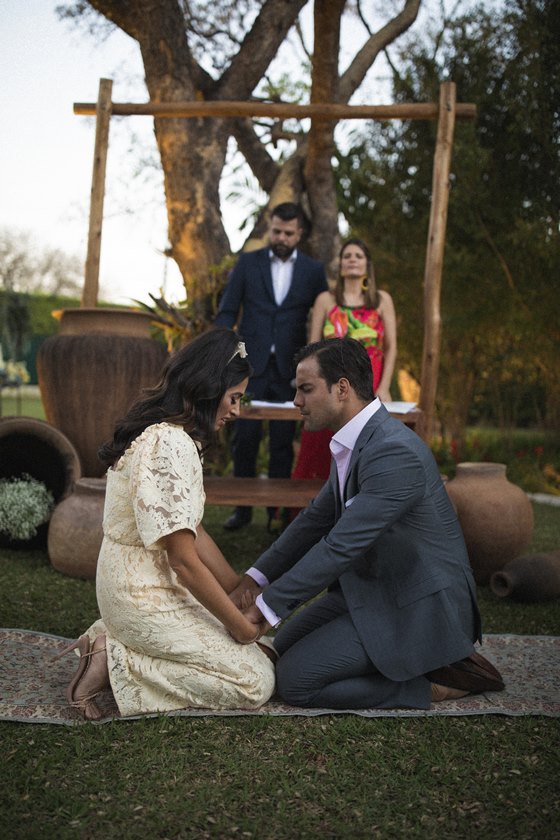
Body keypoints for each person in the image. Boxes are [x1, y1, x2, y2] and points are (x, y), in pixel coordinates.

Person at [231, 337, 504, 710]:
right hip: (373, 591)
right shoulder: (356, 440)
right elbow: (313, 522)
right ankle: (398, 664)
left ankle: (432, 684)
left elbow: (340, 546)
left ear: (342, 388)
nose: (296, 402)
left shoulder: (394, 451)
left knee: (297, 681)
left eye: (306, 390)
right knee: (282, 646)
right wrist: (254, 580)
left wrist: (266, 608)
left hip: (418, 608)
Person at [57, 329, 276, 721]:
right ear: (209, 390)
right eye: (234, 398)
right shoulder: (168, 444)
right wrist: (239, 628)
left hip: (153, 581)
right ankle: (116, 661)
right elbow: (183, 561)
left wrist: (235, 587)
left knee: (260, 646)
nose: (237, 410)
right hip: (141, 593)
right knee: (254, 681)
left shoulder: (177, 437)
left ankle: (117, 646)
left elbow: (195, 530)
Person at [214, 202, 327, 531]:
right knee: (244, 439)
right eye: (276, 230)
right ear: (269, 227)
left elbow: (325, 314)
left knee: (281, 442)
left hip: (291, 372)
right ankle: (243, 510)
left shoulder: (312, 270)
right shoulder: (248, 263)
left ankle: (275, 516)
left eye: (288, 233)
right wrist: (233, 353)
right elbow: (227, 312)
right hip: (250, 368)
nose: (281, 237)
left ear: (299, 234)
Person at [292, 237, 397, 482]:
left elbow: (391, 348)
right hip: (327, 382)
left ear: (367, 265)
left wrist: (384, 386)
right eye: (347, 256)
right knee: (318, 445)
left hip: (368, 383)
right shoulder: (325, 300)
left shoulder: (381, 300)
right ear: (340, 264)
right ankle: (307, 512)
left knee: (363, 445)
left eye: (358, 256)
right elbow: (311, 348)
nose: (352, 260)